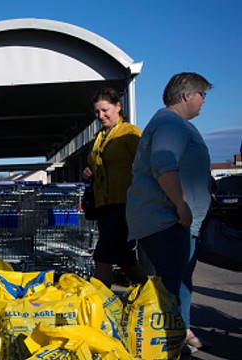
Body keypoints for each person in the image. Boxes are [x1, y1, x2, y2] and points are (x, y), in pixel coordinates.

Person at [126, 72, 213, 354]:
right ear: (187, 95)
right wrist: (180, 203)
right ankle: (167, 343)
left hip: (172, 221)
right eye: (202, 95)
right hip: (169, 220)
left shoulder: (169, 123)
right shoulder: (170, 124)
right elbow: (164, 164)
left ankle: (179, 335)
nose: (203, 102)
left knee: (179, 283)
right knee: (171, 289)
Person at [82, 88, 148, 288]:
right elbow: (97, 164)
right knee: (124, 258)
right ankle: (151, 295)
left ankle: (101, 305)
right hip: (105, 205)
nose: (100, 116)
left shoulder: (130, 133)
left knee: (102, 255)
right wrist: (89, 172)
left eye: (105, 110)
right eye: (96, 112)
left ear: (118, 107)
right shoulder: (99, 138)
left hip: (125, 204)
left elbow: (147, 165)